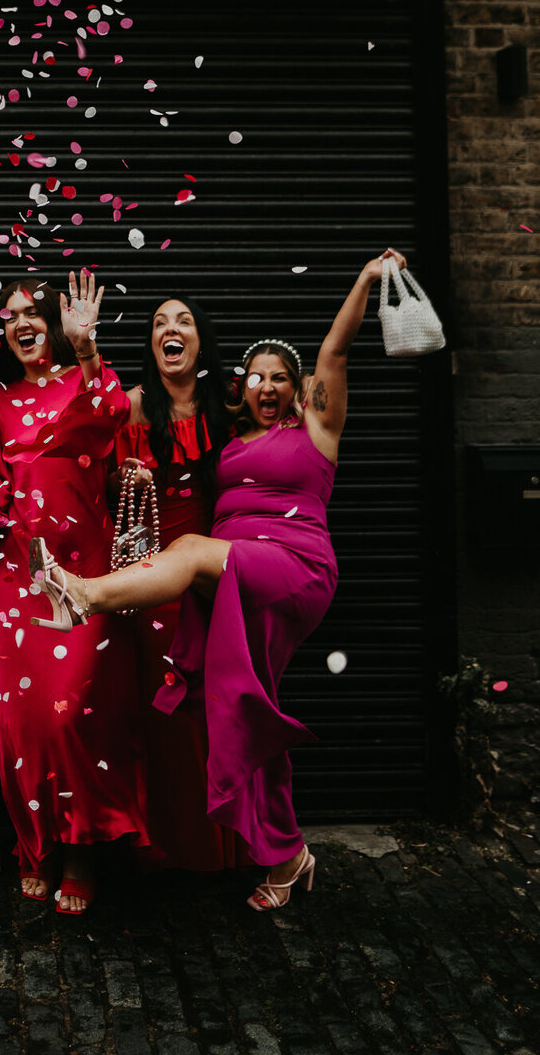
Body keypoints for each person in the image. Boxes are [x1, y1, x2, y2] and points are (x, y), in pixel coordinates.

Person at [30, 250, 409, 912]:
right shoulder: (229, 434)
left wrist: (367, 281)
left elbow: (336, 349)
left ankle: (83, 594)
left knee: (193, 550)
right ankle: (288, 857)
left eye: (279, 378)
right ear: (242, 385)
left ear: (298, 387)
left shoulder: (318, 428)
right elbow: (115, 434)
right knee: (241, 712)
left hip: (283, 567)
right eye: (256, 376)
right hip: (226, 588)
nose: (266, 386)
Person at [0, 272, 148, 915]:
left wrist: (86, 349)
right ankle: (34, 846)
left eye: (32, 312)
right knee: (21, 723)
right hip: (15, 580)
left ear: (53, 321)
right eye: (8, 315)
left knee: (71, 713)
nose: (20, 322)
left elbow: (112, 413)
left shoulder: (89, 381)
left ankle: (82, 849)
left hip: (83, 577)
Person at [116, 296, 243, 872]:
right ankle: (174, 847)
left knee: (217, 710)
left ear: (200, 341)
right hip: (156, 583)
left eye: (184, 321)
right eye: (160, 324)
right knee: (166, 710)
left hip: (218, 577)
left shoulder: (229, 406)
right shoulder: (138, 408)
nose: (171, 330)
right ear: (151, 345)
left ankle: (225, 844)